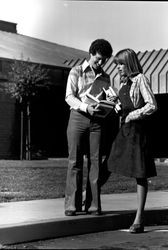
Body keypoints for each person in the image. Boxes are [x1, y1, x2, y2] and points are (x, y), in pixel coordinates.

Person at [107, 48, 158, 233]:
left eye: (121, 64)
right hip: (124, 129)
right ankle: (87, 199)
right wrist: (115, 104)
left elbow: (152, 105)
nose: (118, 68)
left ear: (129, 63)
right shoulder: (123, 83)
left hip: (137, 131)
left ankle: (139, 219)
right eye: (117, 65)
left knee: (140, 173)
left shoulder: (141, 79)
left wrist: (132, 115)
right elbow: (123, 110)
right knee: (108, 163)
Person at [64, 39, 113, 216]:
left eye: (105, 60)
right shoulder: (76, 71)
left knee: (96, 162)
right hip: (78, 117)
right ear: (91, 53)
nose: (101, 63)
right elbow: (69, 97)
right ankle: (71, 205)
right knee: (74, 161)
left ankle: (93, 205)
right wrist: (86, 107)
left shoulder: (106, 77)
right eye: (99, 59)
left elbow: (106, 98)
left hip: (97, 121)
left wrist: (111, 103)